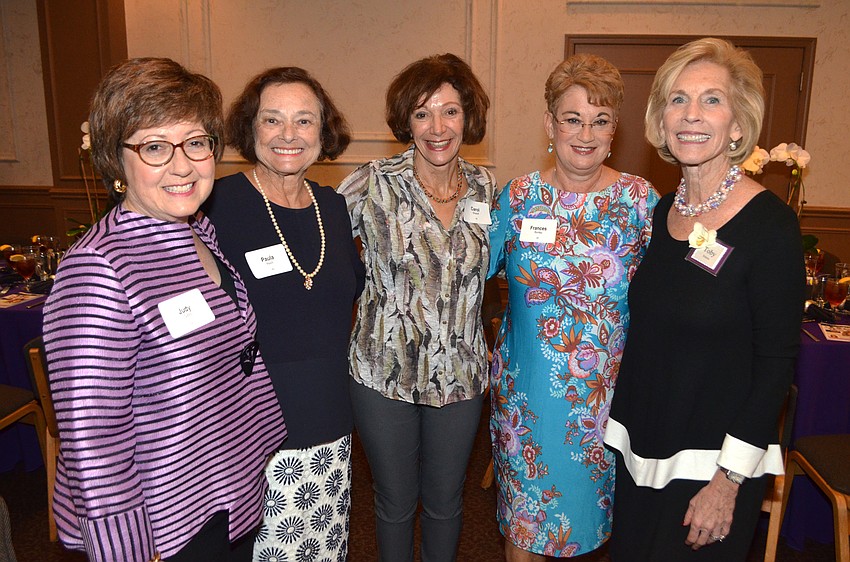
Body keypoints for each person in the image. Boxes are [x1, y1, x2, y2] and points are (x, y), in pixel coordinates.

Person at [42, 58, 287, 562]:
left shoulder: (198, 231)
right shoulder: (99, 268)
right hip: (161, 526)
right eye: (154, 147)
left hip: (224, 491)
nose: (182, 165)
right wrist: (129, 550)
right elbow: (94, 437)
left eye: (196, 142)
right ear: (117, 157)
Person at [603, 38, 806, 561]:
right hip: (641, 453)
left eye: (712, 100)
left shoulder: (770, 227)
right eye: (677, 99)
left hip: (709, 472)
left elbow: (776, 367)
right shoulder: (662, 212)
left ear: (738, 125)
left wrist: (728, 481)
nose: (691, 114)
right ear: (661, 119)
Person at [487, 54, 659, 560]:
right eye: (573, 118)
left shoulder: (639, 202)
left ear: (614, 131)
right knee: (525, 531)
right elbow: (464, 277)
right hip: (527, 400)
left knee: (587, 529)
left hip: (603, 405)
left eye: (600, 121)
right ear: (550, 124)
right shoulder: (517, 198)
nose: (586, 133)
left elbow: (674, 297)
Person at [336, 53, 496, 562]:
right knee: (395, 503)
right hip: (384, 369)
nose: (437, 127)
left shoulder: (490, 189)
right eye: (423, 113)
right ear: (406, 120)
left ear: (468, 117)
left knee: (448, 503)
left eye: (450, 111)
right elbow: (316, 242)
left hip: (462, 374)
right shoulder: (371, 183)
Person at [203, 67, 365, 561]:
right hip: (254, 425)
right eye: (273, 120)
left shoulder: (334, 208)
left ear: (323, 132)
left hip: (331, 419)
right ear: (251, 129)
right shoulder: (215, 204)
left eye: (304, 121)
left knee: (323, 546)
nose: (288, 135)